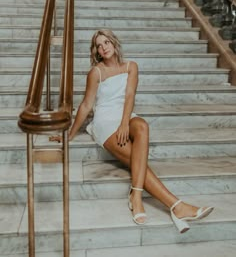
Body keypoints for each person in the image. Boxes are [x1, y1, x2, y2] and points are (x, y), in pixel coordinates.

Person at [50, 28, 214, 232]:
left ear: (114, 43)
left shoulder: (131, 67)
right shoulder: (96, 72)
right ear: (97, 51)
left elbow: (129, 96)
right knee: (137, 161)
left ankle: (136, 194)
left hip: (125, 116)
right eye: (99, 46)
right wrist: (70, 134)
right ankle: (175, 205)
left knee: (142, 126)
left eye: (106, 42)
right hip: (105, 122)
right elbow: (85, 105)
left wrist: (124, 123)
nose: (104, 48)